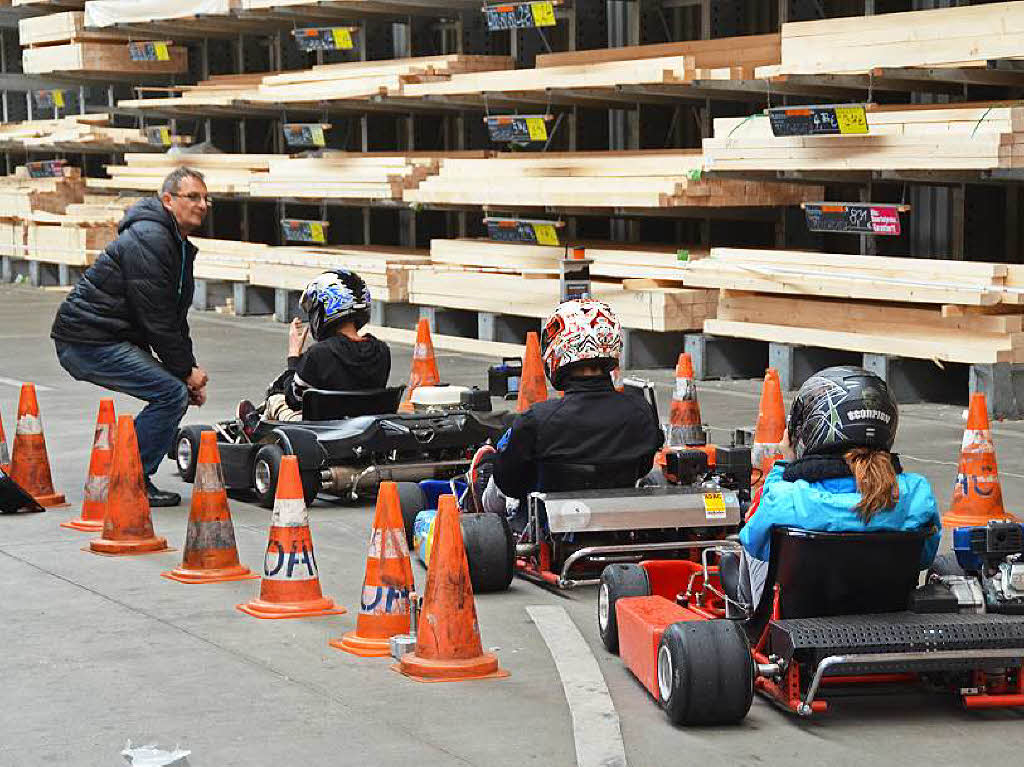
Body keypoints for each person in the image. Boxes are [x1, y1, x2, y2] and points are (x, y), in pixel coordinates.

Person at [51, 167, 210, 507]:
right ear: (168, 200)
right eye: (193, 196)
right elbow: (156, 317)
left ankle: (131, 470)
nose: (202, 204)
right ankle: (128, 480)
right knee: (170, 394)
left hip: (106, 337)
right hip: (87, 340)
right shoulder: (151, 238)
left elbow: (173, 317)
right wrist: (182, 372)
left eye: (206, 198)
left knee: (176, 390)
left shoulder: (175, 243)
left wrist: (188, 370)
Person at [735, 366, 941, 609]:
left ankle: (745, 625)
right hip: (885, 613)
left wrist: (785, 467)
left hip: (800, 620)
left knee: (749, 543)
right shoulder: (916, 493)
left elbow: (753, 543)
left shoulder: (788, 497)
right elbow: (924, 558)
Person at [472, 299, 664, 527]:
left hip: (549, 528)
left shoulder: (538, 419)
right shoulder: (640, 410)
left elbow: (510, 485)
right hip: (617, 522)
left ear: (558, 348)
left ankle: (480, 481)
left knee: (492, 468)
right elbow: (643, 467)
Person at [236, 269, 391, 433]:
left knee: (275, 400)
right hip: (364, 428)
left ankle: (255, 430)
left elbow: (293, 399)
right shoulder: (382, 351)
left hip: (321, 431)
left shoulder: (319, 354)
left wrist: (294, 355)